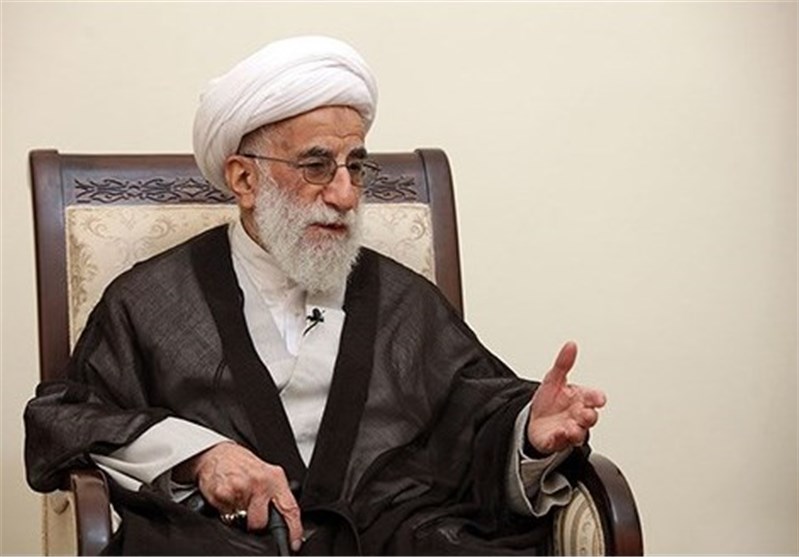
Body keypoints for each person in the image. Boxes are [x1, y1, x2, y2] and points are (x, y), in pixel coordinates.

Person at [24, 35, 607, 555]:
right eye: (317, 166)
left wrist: (526, 433)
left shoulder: (403, 300)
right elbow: (70, 417)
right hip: (232, 541)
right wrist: (201, 456)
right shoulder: (154, 300)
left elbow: (473, 413)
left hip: (389, 538)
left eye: (356, 166)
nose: (346, 194)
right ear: (244, 179)